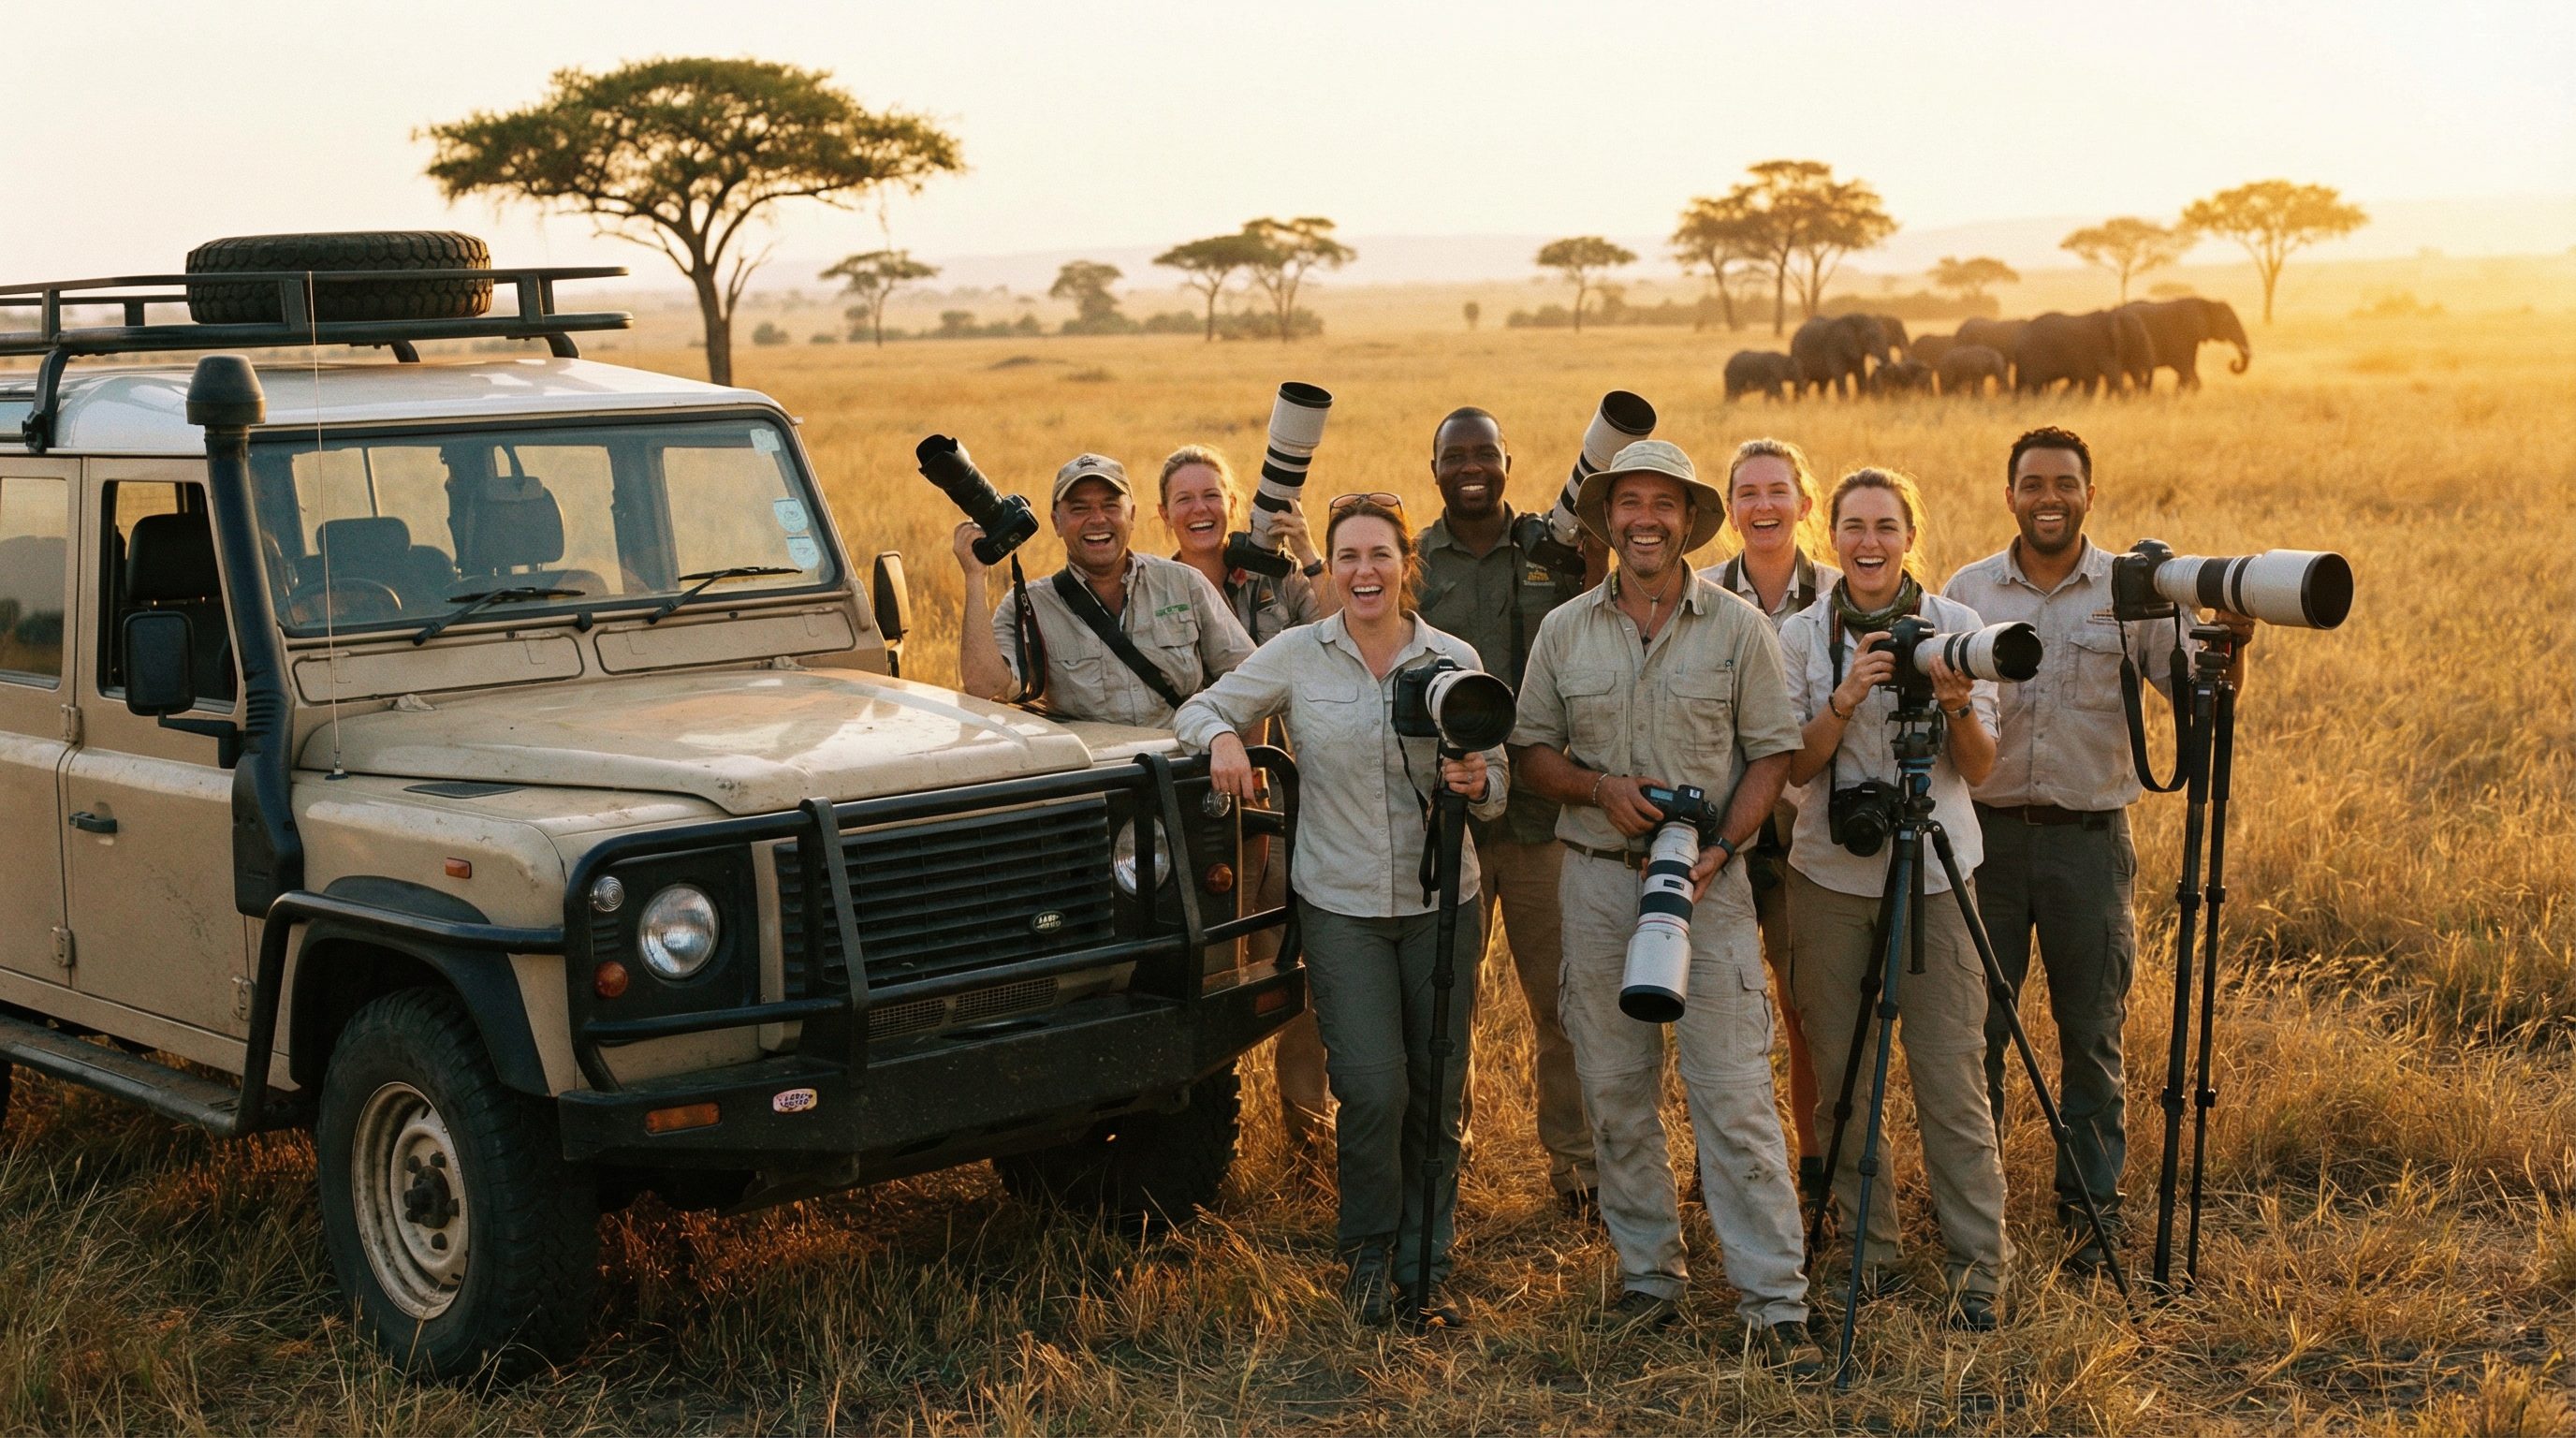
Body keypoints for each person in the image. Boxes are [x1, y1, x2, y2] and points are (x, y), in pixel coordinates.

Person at [1508, 438, 1822, 1373]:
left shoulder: (1735, 628)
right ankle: (1649, 1277)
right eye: (1627, 503)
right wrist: (1596, 788)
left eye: (1663, 504)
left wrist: (1723, 848)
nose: (1644, 519)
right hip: (1599, 882)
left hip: (1707, 888)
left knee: (1732, 1096)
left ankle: (1775, 1302)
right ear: (1607, 519)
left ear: (1687, 519)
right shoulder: (1564, 630)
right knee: (1615, 1093)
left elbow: (1771, 752)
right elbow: (1530, 753)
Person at [1175, 497, 1503, 1329]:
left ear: (1405, 564)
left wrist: (1479, 784)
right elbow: (1200, 707)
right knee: (1371, 1088)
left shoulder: (1452, 658)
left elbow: (1497, 785)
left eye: (1381, 555)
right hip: (1342, 906)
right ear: (1329, 565)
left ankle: (1426, 1271)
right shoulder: (1299, 653)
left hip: (1443, 905)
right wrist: (1223, 740)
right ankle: (1367, 1265)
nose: (1365, 571)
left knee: (1437, 1090)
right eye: (1348, 555)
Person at [1941, 426, 2249, 1269]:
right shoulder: (1966, 590)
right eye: (2033, 483)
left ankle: (2091, 1216)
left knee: (2092, 1034)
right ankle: (1980, 1213)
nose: (2050, 498)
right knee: (1979, 1036)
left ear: (2088, 493)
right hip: (1984, 844)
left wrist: (2227, 635)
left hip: (2089, 844)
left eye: (2066, 484)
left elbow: (2199, 700)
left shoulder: (2134, 591)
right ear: (2009, 495)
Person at [1778, 466, 2011, 1330]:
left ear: (1911, 535)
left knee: (1951, 1077)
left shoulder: (1959, 628)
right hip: (1831, 879)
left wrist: (1955, 707)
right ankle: (1868, 1256)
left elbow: (1980, 770)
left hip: (1940, 877)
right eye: (1853, 527)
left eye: (1885, 525)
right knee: (1843, 1078)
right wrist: (1843, 699)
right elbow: (1793, 767)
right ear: (1830, 537)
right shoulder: (1804, 634)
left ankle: (1978, 1271)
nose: (1869, 543)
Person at [1413, 407, 1601, 1220]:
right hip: (1443, 815)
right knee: (1443, 1007)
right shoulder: (1414, 560)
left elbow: (1601, 616)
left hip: (1538, 818)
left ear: (1508, 461)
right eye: (1455, 456)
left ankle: (1580, 1172)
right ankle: (1436, 1168)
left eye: (1484, 454)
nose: (1471, 468)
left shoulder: (1547, 551)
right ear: (1435, 467)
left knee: (1562, 1004)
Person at [1159, 445, 1338, 1155]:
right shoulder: (1151, 589)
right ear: (1164, 514)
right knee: (1202, 984)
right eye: (1184, 499)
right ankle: (1200, 1147)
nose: (1200, 509)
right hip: (1185, 823)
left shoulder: (1276, 580)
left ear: (1234, 505)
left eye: (1212, 495)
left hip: (1272, 811)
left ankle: (1311, 1144)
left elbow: (1345, 629)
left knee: (1294, 976)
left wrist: (1311, 554)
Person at [1699, 437, 1841, 1208]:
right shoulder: (1698, 594)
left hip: (1805, 831)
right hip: (1718, 828)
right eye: (1747, 493)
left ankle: (1814, 1156)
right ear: (1729, 510)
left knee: (1805, 1001)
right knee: (1712, 999)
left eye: (1778, 491)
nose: (1763, 506)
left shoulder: (1839, 598)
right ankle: (1715, 1155)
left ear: (1805, 504)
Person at [954, 452, 1251, 725]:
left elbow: (1251, 679)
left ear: (1131, 515)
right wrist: (975, 576)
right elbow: (985, 686)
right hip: (1096, 777)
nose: (1097, 519)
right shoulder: (1031, 606)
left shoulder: (1183, 583)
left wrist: (1247, 763)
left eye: (1110, 505)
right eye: (1080, 508)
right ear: (1056, 523)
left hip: (1185, 771)